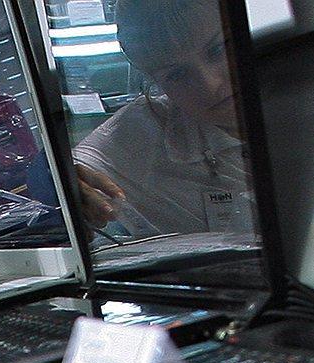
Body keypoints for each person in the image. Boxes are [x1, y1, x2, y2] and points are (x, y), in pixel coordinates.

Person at [74, 0, 258, 236]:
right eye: (177, 74)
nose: (209, 84)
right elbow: (65, 169)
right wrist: (62, 184)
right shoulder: (150, 128)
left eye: (219, 50)